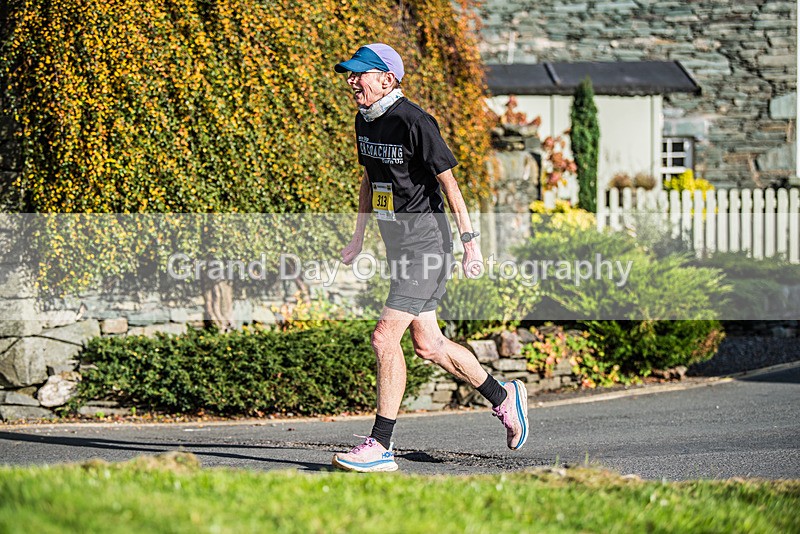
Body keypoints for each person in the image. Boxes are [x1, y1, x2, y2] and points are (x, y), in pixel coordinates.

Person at [331, 43, 529, 473]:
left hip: (428, 247)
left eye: (359, 74)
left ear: (387, 79)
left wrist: (470, 244)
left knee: (385, 337)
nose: (351, 81)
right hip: (399, 248)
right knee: (429, 345)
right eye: (349, 73)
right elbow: (370, 180)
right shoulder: (365, 122)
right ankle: (504, 397)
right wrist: (358, 237)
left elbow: (450, 186)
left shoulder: (415, 121)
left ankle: (380, 446)